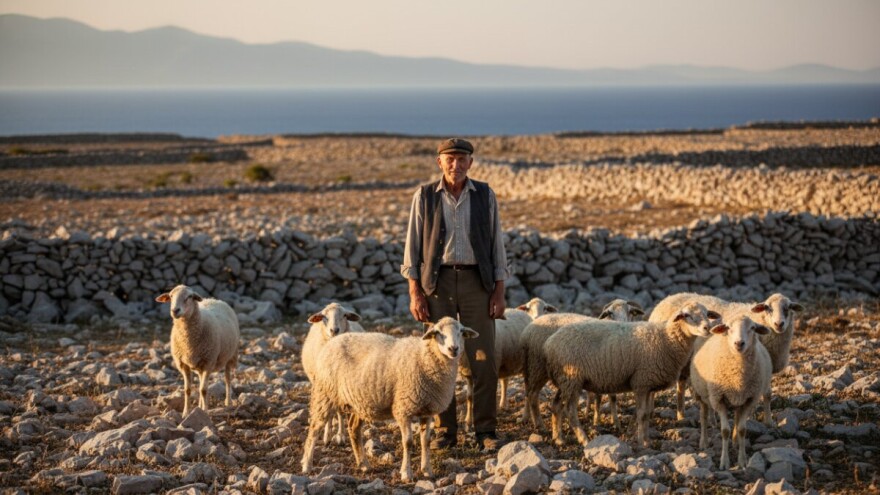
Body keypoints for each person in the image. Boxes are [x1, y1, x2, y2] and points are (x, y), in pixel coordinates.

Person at [400, 137, 509, 451]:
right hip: (438, 283)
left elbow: (496, 246)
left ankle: (486, 432)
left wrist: (498, 292)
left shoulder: (485, 195)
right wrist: (415, 293)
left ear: (471, 163)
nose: (456, 165)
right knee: (438, 362)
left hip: (478, 281)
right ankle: (446, 432)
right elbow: (412, 249)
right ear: (439, 162)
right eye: (450, 159)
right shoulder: (423, 197)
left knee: (484, 359)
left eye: (462, 159)